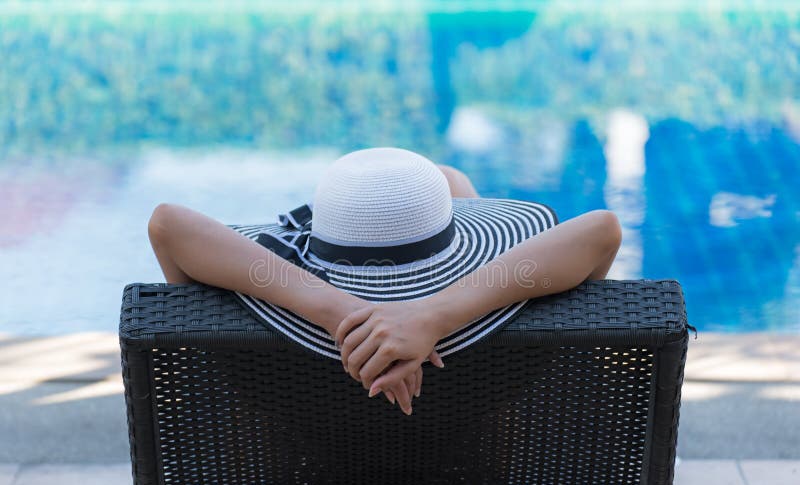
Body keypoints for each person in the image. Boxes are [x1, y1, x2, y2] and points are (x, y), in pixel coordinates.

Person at [148, 148, 621, 416]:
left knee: (449, 179)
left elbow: (168, 224)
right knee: (453, 180)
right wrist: (433, 314)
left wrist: (339, 312)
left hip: (299, 480)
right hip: (484, 473)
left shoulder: (269, 358)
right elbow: (602, 231)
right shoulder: (495, 325)